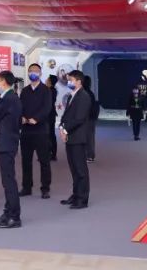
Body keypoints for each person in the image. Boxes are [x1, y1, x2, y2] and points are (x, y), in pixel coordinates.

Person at [0, 71, 23, 228]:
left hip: (7, 142)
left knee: (9, 180)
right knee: (6, 180)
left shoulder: (8, 98)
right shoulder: (10, 97)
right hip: (8, 141)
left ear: (4, 82)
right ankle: (8, 212)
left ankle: (14, 216)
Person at [58, 70, 92, 209]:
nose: (69, 82)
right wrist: (61, 127)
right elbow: (66, 115)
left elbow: (79, 119)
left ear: (79, 81)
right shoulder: (72, 95)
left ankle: (82, 199)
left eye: (71, 80)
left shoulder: (84, 96)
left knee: (80, 169)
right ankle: (76, 195)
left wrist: (66, 130)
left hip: (78, 137)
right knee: (74, 168)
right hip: (70, 137)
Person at [19, 63, 52, 198]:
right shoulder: (25, 91)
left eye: (36, 71)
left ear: (40, 73)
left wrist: (37, 118)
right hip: (26, 130)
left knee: (44, 160)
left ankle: (45, 188)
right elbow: (20, 107)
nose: (33, 73)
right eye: (31, 71)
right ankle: (27, 187)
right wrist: (21, 117)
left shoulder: (46, 90)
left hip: (41, 130)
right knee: (26, 160)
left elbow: (47, 108)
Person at [82, 74, 99, 162]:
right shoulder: (90, 93)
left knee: (88, 137)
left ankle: (90, 156)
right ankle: (89, 155)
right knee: (89, 137)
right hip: (91, 118)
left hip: (88, 118)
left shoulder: (85, 93)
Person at [45, 74, 59, 161]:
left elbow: (47, 103)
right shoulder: (51, 90)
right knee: (50, 134)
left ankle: (52, 154)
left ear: (50, 81)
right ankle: (51, 153)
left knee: (50, 134)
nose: (46, 80)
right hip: (50, 114)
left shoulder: (50, 91)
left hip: (49, 115)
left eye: (47, 79)